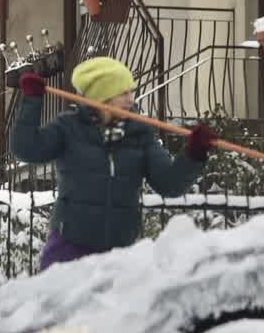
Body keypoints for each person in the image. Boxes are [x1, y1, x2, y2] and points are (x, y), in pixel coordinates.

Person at [11, 56, 217, 271]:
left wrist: (195, 153)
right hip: (70, 244)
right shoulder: (69, 128)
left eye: (131, 92)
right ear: (103, 95)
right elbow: (26, 149)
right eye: (124, 93)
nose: (131, 99)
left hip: (120, 250)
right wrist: (32, 101)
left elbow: (169, 184)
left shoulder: (140, 133)